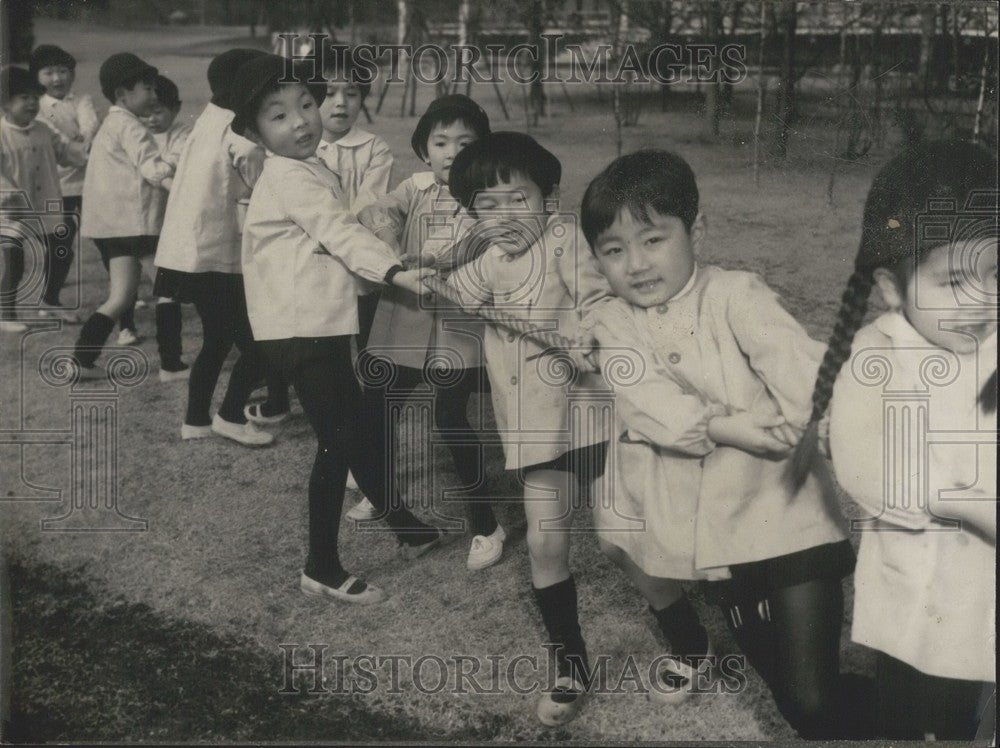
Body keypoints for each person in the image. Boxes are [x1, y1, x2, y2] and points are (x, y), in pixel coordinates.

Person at [580, 149, 862, 738]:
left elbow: (799, 368)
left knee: (813, 706)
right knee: (797, 704)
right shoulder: (613, 323)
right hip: (721, 547)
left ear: (697, 231)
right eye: (614, 250)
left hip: (790, 514)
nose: (636, 264)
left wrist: (829, 422)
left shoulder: (736, 293)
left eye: (653, 239)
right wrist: (725, 427)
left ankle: (947, 714)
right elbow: (647, 399)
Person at [794, 140, 997, 740]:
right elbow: (870, 465)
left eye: (997, 273)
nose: (982, 299)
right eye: (953, 280)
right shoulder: (877, 358)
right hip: (923, 593)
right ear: (891, 286)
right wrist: (966, 503)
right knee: (926, 711)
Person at [231, 53, 443, 603]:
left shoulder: (309, 166)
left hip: (317, 324)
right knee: (339, 441)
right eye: (279, 115)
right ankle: (321, 566)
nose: (301, 121)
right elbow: (338, 233)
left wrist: (392, 263)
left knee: (354, 429)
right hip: (298, 329)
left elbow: (346, 233)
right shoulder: (288, 176)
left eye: (306, 104)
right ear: (255, 132)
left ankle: (407, 528)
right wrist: (394, 272)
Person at [446, 131, 611, 724]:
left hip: (591, 415)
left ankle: (689, 641)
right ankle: (571, 663)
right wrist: (428, 279)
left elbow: (600, 299)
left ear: (549, 198)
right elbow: (452, 290)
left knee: (623, 543)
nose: (504, 217)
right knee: (545, 543)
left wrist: (588, 334)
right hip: (534, 428)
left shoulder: (565, 238)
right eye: (486, 206)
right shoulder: (488, 261)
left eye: (518, 199)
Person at [355, 94, 494, 546]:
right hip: (405, 317)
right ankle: (380, 493)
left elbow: (463, 243)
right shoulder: (414, 188)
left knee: (450, 416)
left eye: (465, 143)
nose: (452, 152)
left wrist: (424, 258)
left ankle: (486, 523)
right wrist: (390, 240)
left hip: (457, 325)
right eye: (440, 142)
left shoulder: (488, 196)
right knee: (380, 407)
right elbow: (374, 210)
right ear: (424, 150)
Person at [152, 49, 275, 445]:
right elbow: (263, 186)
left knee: (218, 340)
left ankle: (196, 420)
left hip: (186, 255)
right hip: (216, 257)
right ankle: (230, 416)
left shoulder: (206, 121)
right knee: (261, 344)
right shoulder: (240, 135)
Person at [71, 53, 185, 381]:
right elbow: (152, 170)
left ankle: (82, 359)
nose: (154, 95)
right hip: (138, 225)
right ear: (122, 94)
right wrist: (176, 173)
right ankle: (171, 365)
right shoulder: (131, 127)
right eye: (147, 89)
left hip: (111, 228)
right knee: (169, 292)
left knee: (120, 297)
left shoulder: (110, 125)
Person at [1, 65, 86, 333]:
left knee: (62, 250)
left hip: (46, 204)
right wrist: (7, 194)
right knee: (15, 262)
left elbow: (66, 153)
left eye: (34, 97)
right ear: (5, 103)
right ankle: (5, 313)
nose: (31, 103)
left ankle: (50, 299)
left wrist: (89, 158)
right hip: (12, 210)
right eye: (23, 97)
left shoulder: (43, 129)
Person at [30, 44, 100, 323]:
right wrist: (77, 143)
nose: (57, 78)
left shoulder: (81, 99)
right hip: (57, 185)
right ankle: (50, 298)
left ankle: (126, 293)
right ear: (37, 77)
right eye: (49, 73)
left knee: (108, 240)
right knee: (61, 243)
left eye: (62, 71)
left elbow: (90, 123)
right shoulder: (37, 106)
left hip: (90, 182)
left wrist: (85, 136)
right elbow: (52, 134)